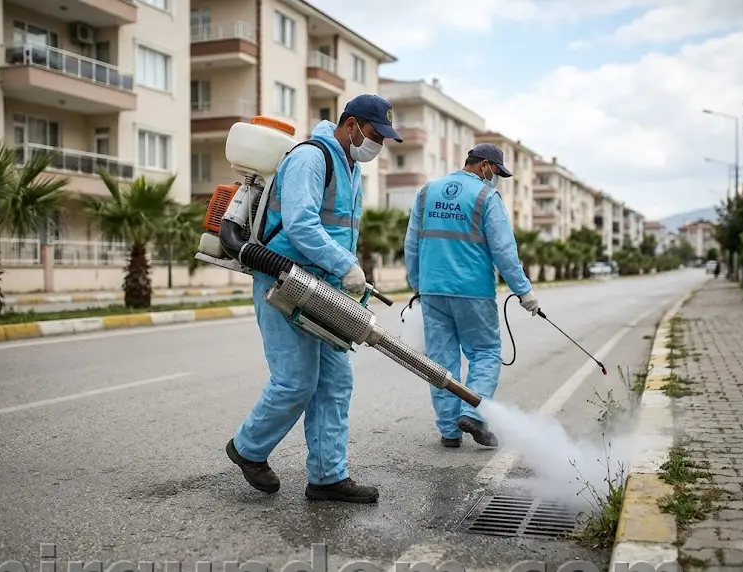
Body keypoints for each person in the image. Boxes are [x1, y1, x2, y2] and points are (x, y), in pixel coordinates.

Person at [225, 94, 402, 504]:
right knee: (295, 381)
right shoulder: (312, 158)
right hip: (283, 282)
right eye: (375, 134)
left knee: (335, 384)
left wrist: (345, 273)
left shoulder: (350, 164)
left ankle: (327, 477)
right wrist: (346, 264)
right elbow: (301, 225)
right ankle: (248, 449)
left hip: (326, 288)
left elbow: (335, 229)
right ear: (352, 124)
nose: (377, 144)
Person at [403, 144, 540, 448]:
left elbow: (411, 242)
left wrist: (417, 284)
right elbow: (504, 250)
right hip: (473, 291)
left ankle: (450, 431)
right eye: (497, 173)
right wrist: (523, 291)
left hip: (432, 289)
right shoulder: (486, 196)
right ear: (485, 167)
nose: (496, 179)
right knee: (486, 352)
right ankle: (473, 413)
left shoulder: (427, 192)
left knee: (441, 361)